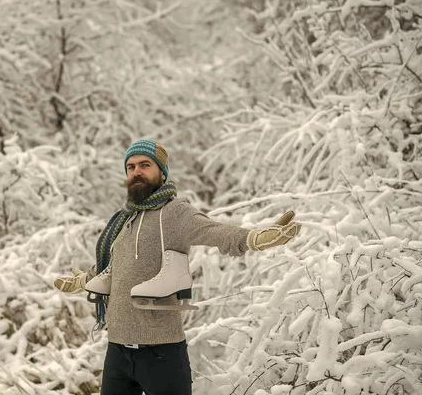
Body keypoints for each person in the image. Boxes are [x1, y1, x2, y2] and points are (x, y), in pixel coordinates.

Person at [54, 139, 301, 395]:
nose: (136, 172)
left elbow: (213, 231)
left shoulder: (174, 213)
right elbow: (112, 268)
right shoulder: (123, 220)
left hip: (161, 352)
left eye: (144, 165)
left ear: (162, 172)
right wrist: (83, 280)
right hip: (117, 349)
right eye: (130, 167)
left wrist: (253, 239)